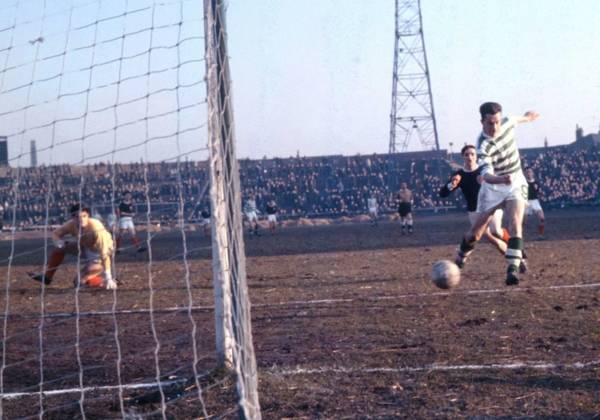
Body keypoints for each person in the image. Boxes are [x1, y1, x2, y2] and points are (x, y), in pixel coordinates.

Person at [454, 102, 539, 286]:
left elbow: (520, 119)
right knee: (475, 235)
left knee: (515, 224)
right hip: (493, 187)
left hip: (515, 182)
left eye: (497, 122)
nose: (495, 127)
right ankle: (461, 254)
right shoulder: (482, 146)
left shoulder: (507, 123)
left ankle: (512, 269)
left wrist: (529, 117)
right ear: (482, 122)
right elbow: (486, 176)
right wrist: (500, 179)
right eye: (490, 123)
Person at [28, 204, 117, 289]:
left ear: (88, 216)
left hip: (98, 253)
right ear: (73, 218)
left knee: (78, 281)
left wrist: (108, 277)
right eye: (77, 217)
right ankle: (48, 277)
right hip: (84, 246)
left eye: (84, 216)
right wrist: (58, 242)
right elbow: (56, 233)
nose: (81, 219)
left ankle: (106, 281)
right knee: (60, 248)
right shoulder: (71, 224)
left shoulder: (96, 228)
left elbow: (104, 254)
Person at [439, 144, 508, 254]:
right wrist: (452, 184)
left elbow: (498, 184)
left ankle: (516, 249)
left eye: (472, 154)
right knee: (479, 236)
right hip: (474, 210)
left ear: (476, 156)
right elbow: (442, 194)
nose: (470, 157)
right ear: (463, 157)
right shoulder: (459, 175)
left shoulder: (484, 170)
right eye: (467, 155)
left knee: (496, 231)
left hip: (492, 206)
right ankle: (462, 255)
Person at [524, 167, 545, 238]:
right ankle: (519, 235)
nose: (528, 173)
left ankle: (541, 235)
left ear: (532, 173)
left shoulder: (536, 183)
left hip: (535, 201)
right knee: (523, 222)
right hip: (526, 202)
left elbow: (539, 192)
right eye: (527, 172)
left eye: (530, 172)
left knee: (542, 218)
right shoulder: (523, 183)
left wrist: (539, 192)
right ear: (525, 174)